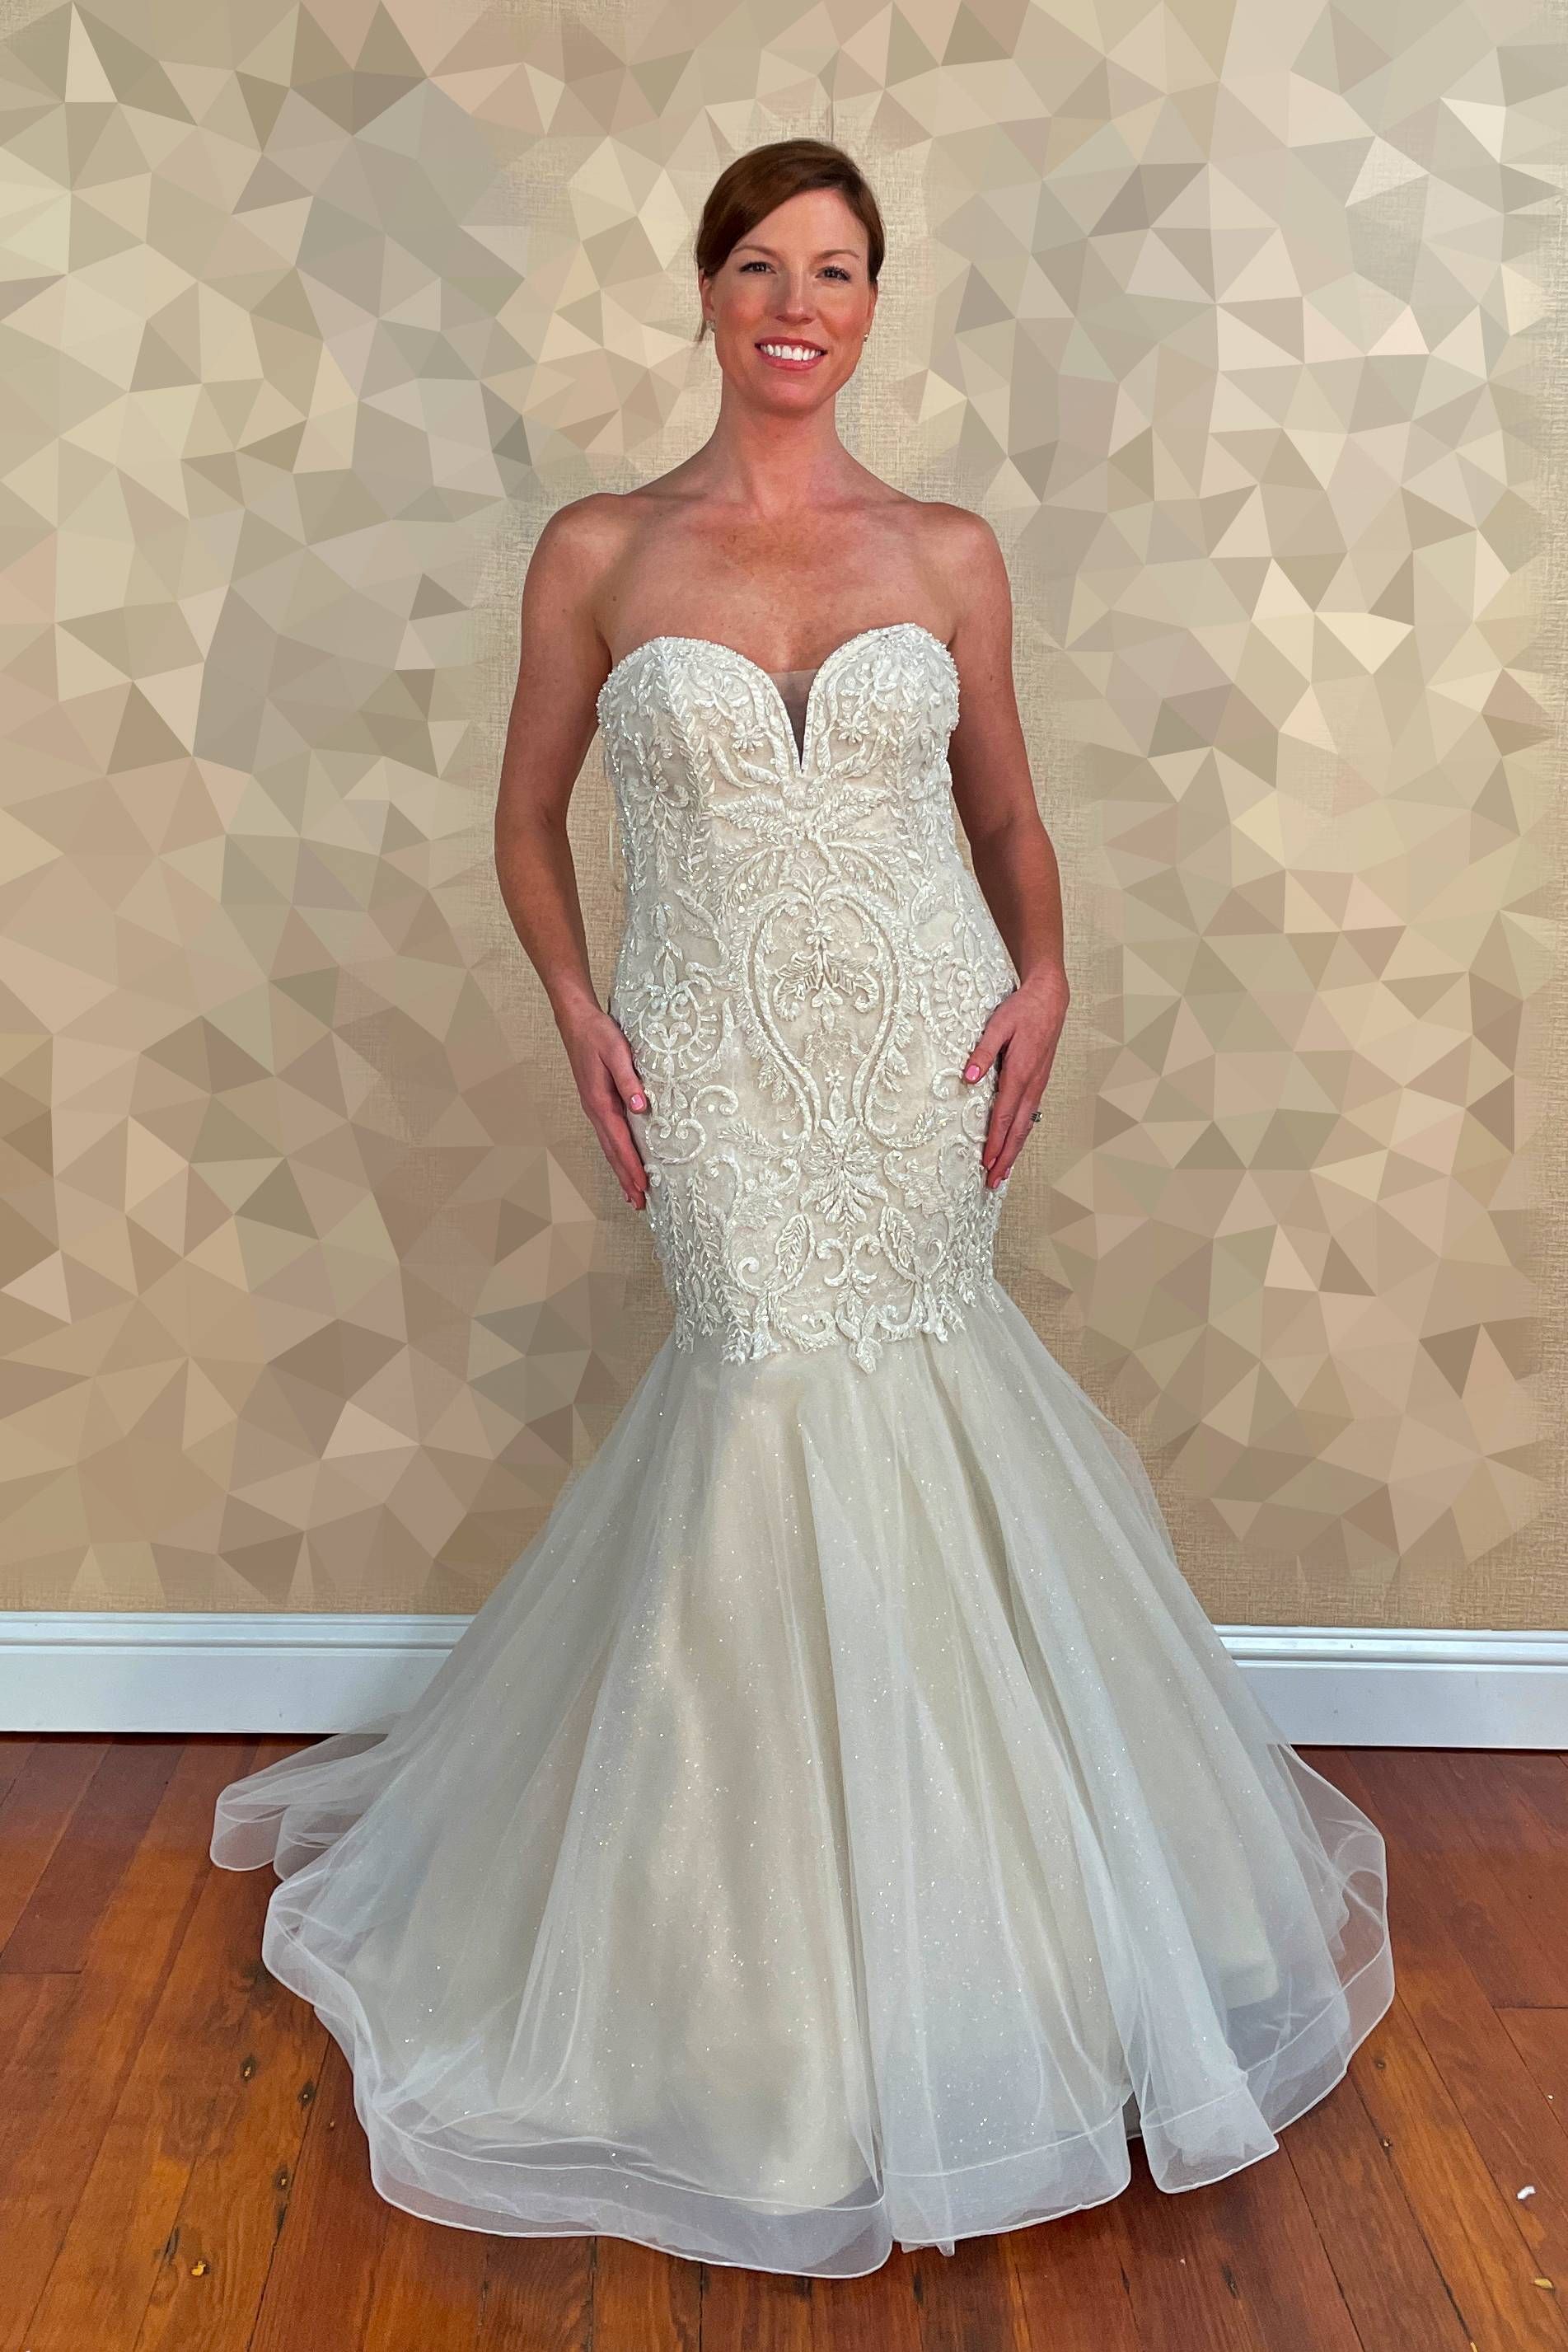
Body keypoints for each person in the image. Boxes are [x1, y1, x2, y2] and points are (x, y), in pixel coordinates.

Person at [210, 136, 1393, 2280]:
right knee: (766, 1387)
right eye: (760, 263)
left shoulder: (945, 548)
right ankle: (742, 1992)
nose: (797, 302)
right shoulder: (600, 546)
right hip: (719, 1055)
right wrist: (574, 1003)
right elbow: (525, 816)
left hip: (914, 1040)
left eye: (837, 270)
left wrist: (1050, 984)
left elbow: (1011, 811)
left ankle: (990, 1970)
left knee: (920, 1396)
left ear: (874, 305)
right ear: (704, 287)